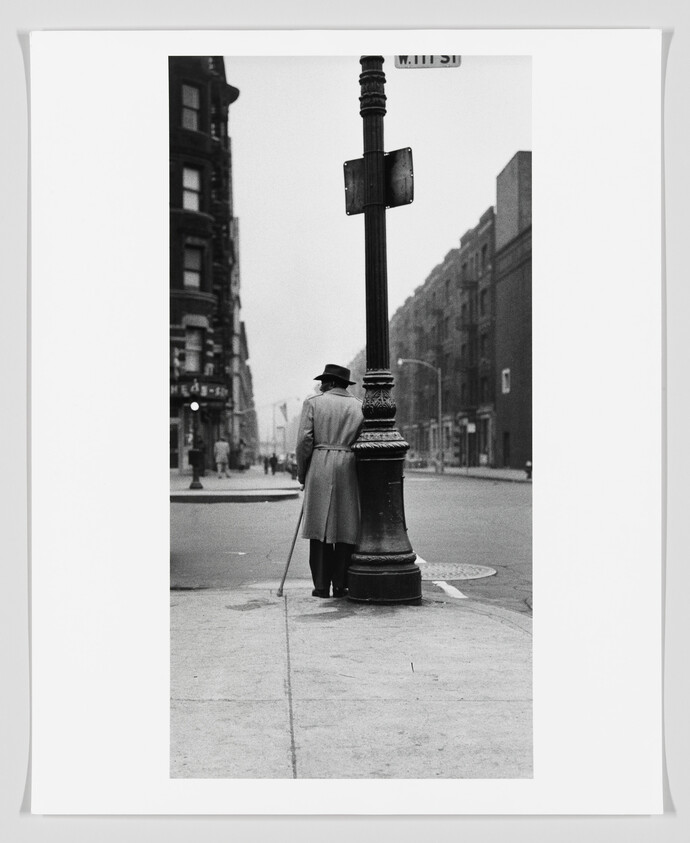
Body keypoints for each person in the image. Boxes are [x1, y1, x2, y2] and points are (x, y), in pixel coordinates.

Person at [296, 363, 363, 598]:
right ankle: (342, 584)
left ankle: (322, 585)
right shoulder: (359, 406)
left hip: (320, 463)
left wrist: (302, 472)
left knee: (320, 529)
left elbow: (305, 441)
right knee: (346, 528)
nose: (321, 385)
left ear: (332, 383)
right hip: (348, 464)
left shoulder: (314, 403)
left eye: (324, 381)